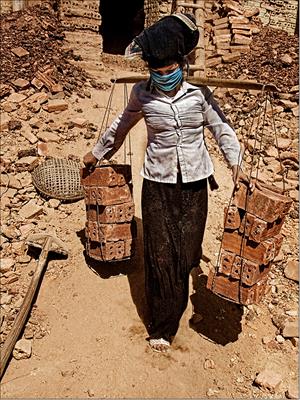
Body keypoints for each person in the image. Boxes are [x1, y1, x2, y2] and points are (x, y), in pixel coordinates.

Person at [83, 13, 242, 353]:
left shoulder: (199, 94)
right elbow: (120, 126)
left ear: (182, 65)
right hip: (156, 184)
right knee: (159, 255)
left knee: (185, 255)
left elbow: (222, 129)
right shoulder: (142, 94)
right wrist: (96, 154)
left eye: (171, 71)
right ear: (151, 69)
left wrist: (237, 165)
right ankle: (162, 326)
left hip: (195, 185)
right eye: (159, 71)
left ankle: (178, 291)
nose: (165, 77)